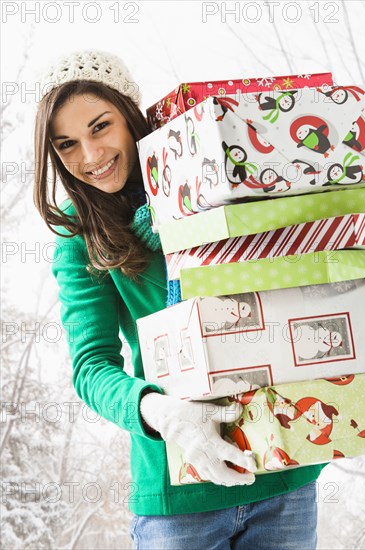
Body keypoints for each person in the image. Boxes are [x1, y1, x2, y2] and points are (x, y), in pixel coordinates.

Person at [33, 49, 328, 549]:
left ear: (130, 116)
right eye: (67, 144)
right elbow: (91, 366)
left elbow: (302, 281)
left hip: (284, 471)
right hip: (177, 490)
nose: (89, 155)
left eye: (100, 127)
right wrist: (160, 412)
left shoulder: (211, 174)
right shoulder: (81, 234)